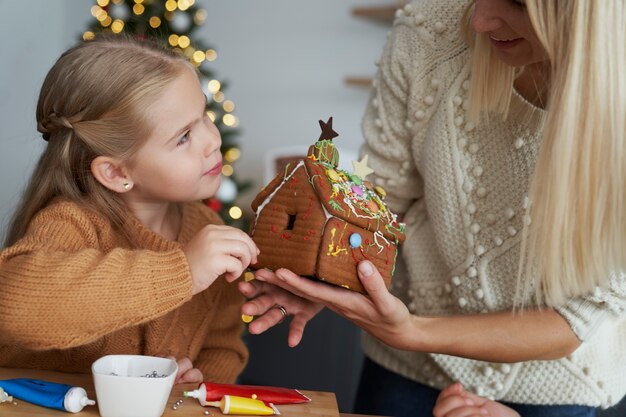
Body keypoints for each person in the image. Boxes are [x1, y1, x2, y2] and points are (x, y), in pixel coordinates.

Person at [238, 0, 626, 416]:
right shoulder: (427, 29)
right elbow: (385, 194)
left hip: (550, 383)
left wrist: (411, 331)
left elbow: (580, 314)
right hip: (405, 370)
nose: (478, 20)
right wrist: (331, 274)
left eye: (516, 4)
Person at [0, 34, 258, 385]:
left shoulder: (207, 230)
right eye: (183, 137)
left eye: (205, 117)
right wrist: (181, 271)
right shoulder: (71, 223)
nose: (213, 140)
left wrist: (196, 389)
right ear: (116, 173)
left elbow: (221, 345)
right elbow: (16, 309)